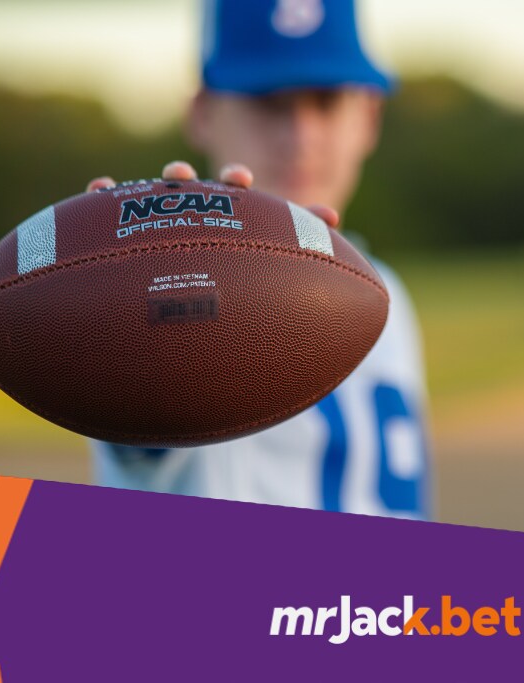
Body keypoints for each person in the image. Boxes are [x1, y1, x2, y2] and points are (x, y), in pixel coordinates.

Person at [87, 0, 431, 519]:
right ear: (202, 114)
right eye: (267, 102)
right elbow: (148, 434)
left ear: (369, 117)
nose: (300, 137)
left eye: (326, 100)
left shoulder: (386, 294)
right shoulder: (186, 291)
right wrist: (131, 314)